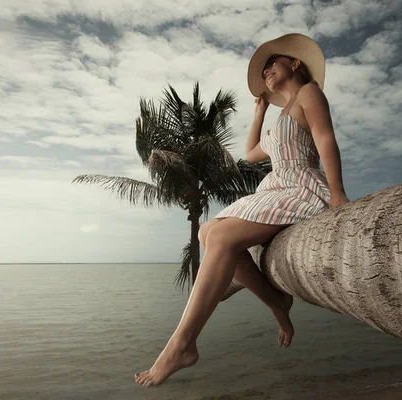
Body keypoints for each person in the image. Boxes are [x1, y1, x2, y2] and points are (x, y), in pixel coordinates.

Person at [134, 33, 350, 387]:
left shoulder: (309, 94)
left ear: (294, 63)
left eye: (272, 63)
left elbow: (326, 139)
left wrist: (338, 193)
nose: (265, 71)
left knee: (218, 236)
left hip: (300, 187)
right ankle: (278, 304)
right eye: (263, 69)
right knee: (207, 231)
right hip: (276, 187)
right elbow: (250, 153)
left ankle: (182, 344)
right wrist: (261, 111)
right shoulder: (281, 117)